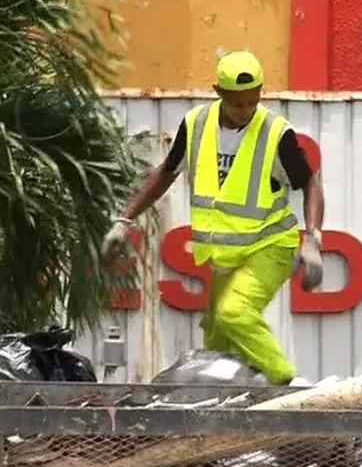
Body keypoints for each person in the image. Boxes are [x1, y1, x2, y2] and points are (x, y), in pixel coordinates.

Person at [101, 51, 325, 385]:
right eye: (238, 104)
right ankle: (227, 397)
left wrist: (312, 240)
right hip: (226, 256)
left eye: (254, 101)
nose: (246, 111)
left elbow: (310, 184)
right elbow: (164, 173)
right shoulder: (196, 125)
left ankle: (284, 382)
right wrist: (124, 221)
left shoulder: (276, 132)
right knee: (216, 335)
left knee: (234, 313)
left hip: (270, 246)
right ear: (218, 92)